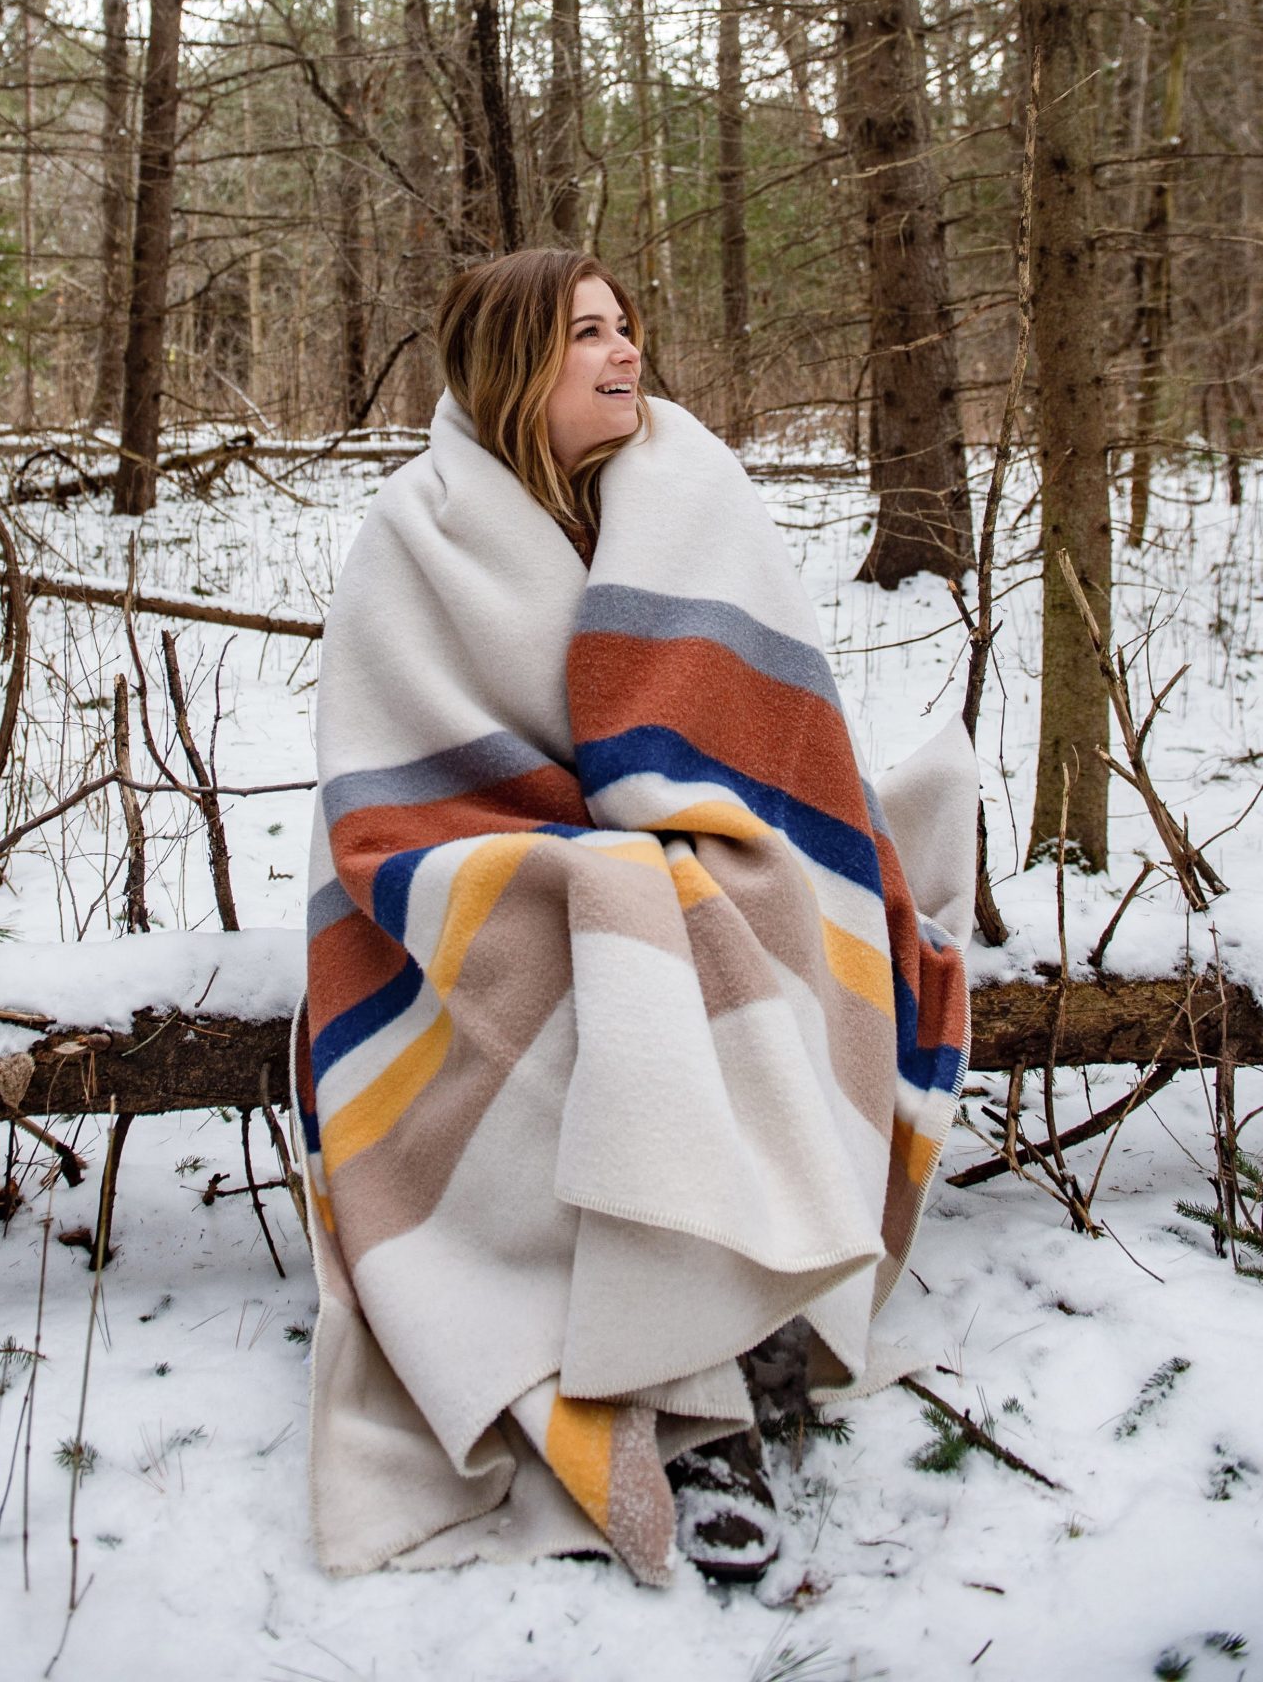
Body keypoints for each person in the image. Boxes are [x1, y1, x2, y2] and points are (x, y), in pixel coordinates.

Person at [297, 248, 976, 1587]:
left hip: (704, 851)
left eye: (626, 327)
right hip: (472, 864)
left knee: (712, 934)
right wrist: (581, 861)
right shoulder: (415, 530)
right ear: (510, 366)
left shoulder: (686, 488)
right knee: (597, 958)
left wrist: (670, 839)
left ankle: (723, 1338)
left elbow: (769, 728)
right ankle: (662, 1381)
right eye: (586, 335)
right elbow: (388, 779)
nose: (625, 354)